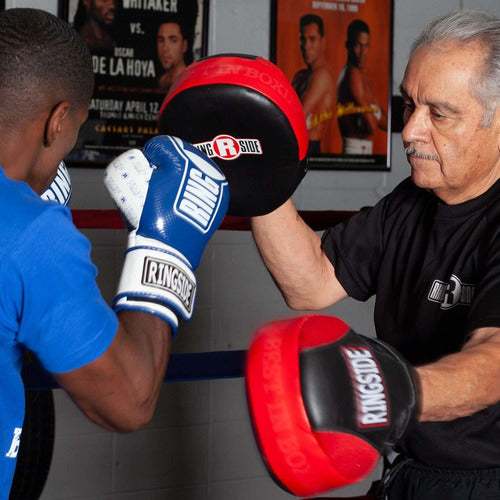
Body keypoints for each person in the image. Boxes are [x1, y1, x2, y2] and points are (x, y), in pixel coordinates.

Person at [251, 10, 500, 499]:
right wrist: (262, 179)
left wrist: (383, 391)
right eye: (409, 105)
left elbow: (494, 364)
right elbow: (311, 282)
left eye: (439, 114)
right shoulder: (411, 201)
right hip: (408, 470)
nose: (409, 131)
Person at [0, 8, 228, 498]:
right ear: (58, 120)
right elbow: (129, 398)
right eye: (74, 132)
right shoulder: (31, 233)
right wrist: (165, 246)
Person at [337, 19, 388, 155]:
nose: (362, 52)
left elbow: (385, 121)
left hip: (363, 149)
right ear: (348, 45)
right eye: (358, 45)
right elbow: (372, 127)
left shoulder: (364, 77)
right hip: (353, 149)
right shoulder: (353, 76)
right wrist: (374, 112)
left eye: (366, 46)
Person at [291, 14, 335, 156]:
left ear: (323, 41)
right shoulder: (301, 75)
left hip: (311, 149)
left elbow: (296, 117)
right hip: (296, 147)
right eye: (302, 39)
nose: (306, 46)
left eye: (312, 39)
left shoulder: (322, 76)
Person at [156, 18, 188, 92]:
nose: (165, 48)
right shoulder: (162, 81)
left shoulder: (188, 81)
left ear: (184, 46)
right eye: (161, 40)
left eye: (173, 41)